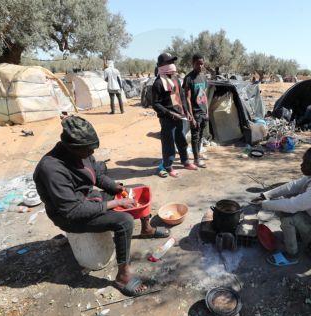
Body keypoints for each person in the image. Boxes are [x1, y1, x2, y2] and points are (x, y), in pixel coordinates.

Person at [33, 116, 169, 297]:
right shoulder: (51, 169)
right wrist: (115, 203)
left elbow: (96, 174)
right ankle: (123, 276)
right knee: (124, 221)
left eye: (93, 149)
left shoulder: (82, 153)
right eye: (88, 150)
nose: (91, 153)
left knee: (135, 192)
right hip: (69, 216)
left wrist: (116, 189)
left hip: (88, 199)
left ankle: (147, 228)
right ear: (72, 147)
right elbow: (72, 210)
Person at [152, 53, 198, 178]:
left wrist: (187, 111)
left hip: (179, 116)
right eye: (168, 63)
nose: (172, 65)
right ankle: (168, 166)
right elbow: (155, 104)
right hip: (167, 119)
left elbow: (182, 97)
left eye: (172, 62)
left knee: (181, 140)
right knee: (168, 143)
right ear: (161, 66)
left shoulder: (175, 79)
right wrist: (169, 113)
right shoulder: (158, 83)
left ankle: (185, 162)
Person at [183, 54, 209, 168]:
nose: (200, 66)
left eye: (202, 63)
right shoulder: (189, 78)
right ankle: (196, 160)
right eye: (198, 63)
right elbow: (187, 98)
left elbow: (204, 95)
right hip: (195, 112)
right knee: (195, 136)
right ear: (193, 63)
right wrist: (191, 116)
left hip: (203, 112)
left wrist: (207, 111)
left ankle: (197, 154)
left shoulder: (203, 77)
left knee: (201, 135)